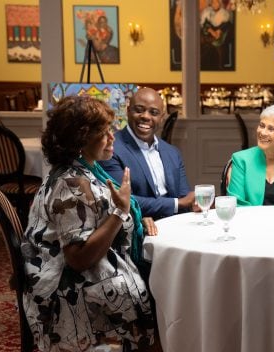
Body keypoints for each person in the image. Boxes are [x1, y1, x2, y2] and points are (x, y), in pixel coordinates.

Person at [23, 95, 156, 351]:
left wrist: (131, 214)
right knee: (165, 291)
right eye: (104, 131)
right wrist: (120, 212)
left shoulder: (86, 171)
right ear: (80, 139)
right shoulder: (71, 184)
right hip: (69, 295)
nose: (112, 136)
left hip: (84, 279)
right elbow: (79, 258)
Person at [100, 87, 195, 220]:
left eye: (154, 112)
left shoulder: (172, 153)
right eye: (139, 110)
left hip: (174, 225)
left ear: (161, 118)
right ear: (128, 111)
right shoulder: (110, 150)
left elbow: (186, 199)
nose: (145, 116)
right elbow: (123, 200)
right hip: (137, 228)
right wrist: (176, 204)